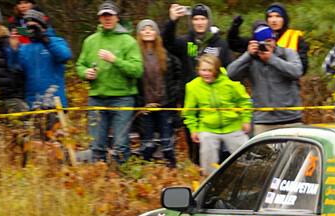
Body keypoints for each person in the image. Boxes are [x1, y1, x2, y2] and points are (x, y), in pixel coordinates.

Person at [75, 1, 143, 163]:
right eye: (103, 16)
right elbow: (79, 65)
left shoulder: (128, 41)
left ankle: (121, 180)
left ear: (117, 18)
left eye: (110, 15)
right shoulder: (90, 41)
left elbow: (137, 70)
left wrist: (115, 60)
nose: (107, 19)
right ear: (99, 18)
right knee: (97, 144)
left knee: (120, 144)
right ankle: (99, 180)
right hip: (97, 98)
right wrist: (86, 73)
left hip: (122, 97)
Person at [164, 3, 232, 164]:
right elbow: (167, 43)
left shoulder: (219, 44)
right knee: (194, 145)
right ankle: (198, 175)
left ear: (208, 21)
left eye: (202, 18)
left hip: (215, 103)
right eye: (196, 19)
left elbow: (229, 70)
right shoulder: (186, 42)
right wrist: (172, 21)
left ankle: (216, 173)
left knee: (216, 146)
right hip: (192, 101)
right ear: (192, 21)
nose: (199, 22)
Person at [227, 24, 302, 135]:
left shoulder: (287, 53)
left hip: (290, 118)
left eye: (269, 41)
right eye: (263, 42)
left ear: (274, 40)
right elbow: (231, 73)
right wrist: (248, 55)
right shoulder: (251, 59)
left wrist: (271, 59)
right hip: (263, 121)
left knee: (294, 152)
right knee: (265, 153)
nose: (267, 45)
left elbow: (297, 72)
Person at [183, 54, 252, 175]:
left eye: (210, 70)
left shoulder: (230, 83)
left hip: (233, 125)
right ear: (198, 70)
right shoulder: (192, 86)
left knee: (246, 157)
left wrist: (246, 119)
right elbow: (189, 112)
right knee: (207, 162)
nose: (206, 74)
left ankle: (250, 177)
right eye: (203, 70)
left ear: (217, 70)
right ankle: (209, 184)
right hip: (208, 128)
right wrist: (193, 129)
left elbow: (245, 101)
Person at [136, 19, 183, 167]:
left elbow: (177, 74)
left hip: (164, 103)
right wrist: (140, 102)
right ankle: (145, 171)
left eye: (151, 28)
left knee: (167, 140)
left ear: (156, 33)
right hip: (146, 105)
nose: (148, 31)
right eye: (144, 29)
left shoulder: (166, 54)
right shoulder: (135, 55)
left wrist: (173, 95)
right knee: (148, 143)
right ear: (139, 34)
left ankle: (171, 168)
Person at [9, 9, 71, 109]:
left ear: (42, 26)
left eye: (34, 26)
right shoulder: (25, 48)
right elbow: (15, 69)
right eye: (28, 27)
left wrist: (45, 39)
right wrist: (14, 50)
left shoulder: (56, 41)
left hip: (55, 102)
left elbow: (65, 56)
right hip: (33, 103)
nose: (32, 30)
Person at [228, 3, 308, 75]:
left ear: (284, 19)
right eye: (270, 16)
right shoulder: (259, 37)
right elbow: (235, 44)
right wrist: (235, 27)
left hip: (287, 84)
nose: (274, 20)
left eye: (278, 16)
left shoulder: (295, 37)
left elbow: (302, 68)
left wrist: (274, 59)